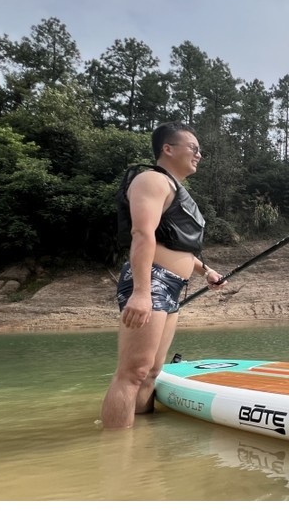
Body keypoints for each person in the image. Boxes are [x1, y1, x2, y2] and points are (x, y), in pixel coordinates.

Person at [100, 122, 225, 429]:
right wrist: (142, 292)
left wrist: (205, 270)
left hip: (173, 286)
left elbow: (175, 244)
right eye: (193, 148)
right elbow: (142, 234)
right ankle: (115, 454)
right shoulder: (151, 180)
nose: (199, 155)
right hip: (151, 280)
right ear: (167, 149)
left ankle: (139, 443)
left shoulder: (174, 189)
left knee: (153, 372)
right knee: (133, 372)